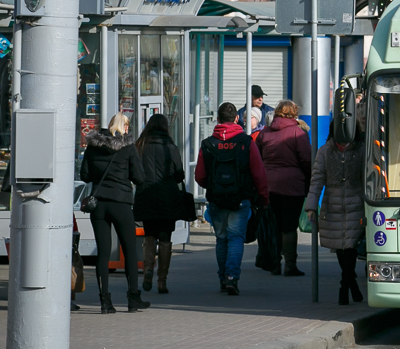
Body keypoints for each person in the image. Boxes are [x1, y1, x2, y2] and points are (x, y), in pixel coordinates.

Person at [196, 102, 270, 295]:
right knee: (236, 237)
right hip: (240, 198)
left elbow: (200, 176)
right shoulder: (246, 142)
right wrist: (263, 196)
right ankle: (232, 277)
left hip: (217, 199)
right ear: (237, 118)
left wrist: (213, 187)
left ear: (218, 119)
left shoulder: (208, 144)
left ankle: (222, 277)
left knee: (221, 238)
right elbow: (259, 173)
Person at [79, 113, 150, 314]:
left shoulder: (93, 147)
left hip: (99, 204)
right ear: (124, 127)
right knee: (129, 250)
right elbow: (139, 177)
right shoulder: (128, 148)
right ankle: (133, 298)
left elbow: (84, 175)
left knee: (103, 252)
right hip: (121, 203)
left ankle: (105, 302)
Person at [304, 124, 366, 305]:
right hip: (333, 205)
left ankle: (344, 286)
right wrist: (311, 206)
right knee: (340, 247)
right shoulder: (325, 151)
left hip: (356, 203)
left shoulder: (362, 150)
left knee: (351, 246)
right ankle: (350, 284)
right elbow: (316, 180)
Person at [255, 99, 312, 276]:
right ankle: (290, 264)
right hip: (292, 186)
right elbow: (307, 160)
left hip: (269, 185)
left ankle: (274, 263)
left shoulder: (264, 133)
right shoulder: (298, 133)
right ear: (293, 113)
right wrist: (310, 183)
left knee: (274, 224)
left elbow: (257, 159)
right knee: (289, 226)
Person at [134, 114, 186, 295]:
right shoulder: (170, 147)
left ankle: (148, 269)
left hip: (146, 197)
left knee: (149, 236)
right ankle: (162, 281)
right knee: (165, 239)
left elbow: (134, 172)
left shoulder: (140, 146)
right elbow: (179, 174)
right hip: (167, 198)